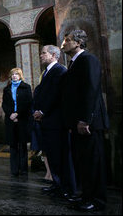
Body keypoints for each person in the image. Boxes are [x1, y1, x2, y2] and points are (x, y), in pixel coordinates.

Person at [60, 29, 109, 212]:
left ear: (78, 43)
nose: (63, 44)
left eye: (67, 40)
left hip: (88, 123)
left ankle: (97, 201)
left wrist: (84, 119)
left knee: (93, 163)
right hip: (79, 124)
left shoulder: (88, 60)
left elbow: (91, 90)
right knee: (84, 163)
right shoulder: (74, 63)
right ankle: (86, 196)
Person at [33, 45, 77, 200]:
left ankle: (67, 188)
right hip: (47, 122)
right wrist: (36, 110)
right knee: (52, 155)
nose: (41, 55)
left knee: (61, 156)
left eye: (43, 53)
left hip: (56, 121)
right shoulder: (46, 72)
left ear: (53, 55)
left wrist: (42, 111)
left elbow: (55, 94)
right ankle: (57, 184)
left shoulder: (59, 70)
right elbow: (40, 93)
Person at [1, 68, 33, 177]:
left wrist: (18, 114)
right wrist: (11, 114)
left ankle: (23, 170)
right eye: (12, 74)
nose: (14, 76)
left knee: (22, 146)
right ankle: (14, 170)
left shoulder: (26, 87)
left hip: (22, 119)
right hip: (10, 119)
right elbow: (4, 104)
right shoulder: (7, 89)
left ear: (20, 76)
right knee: (13, 146)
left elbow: (28, 103)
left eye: (16, 74)